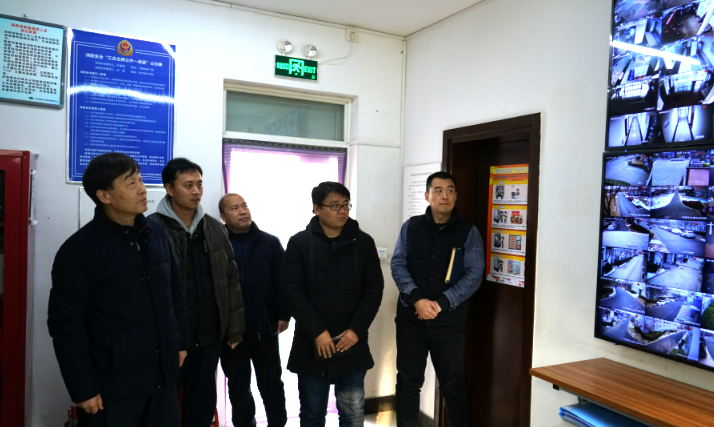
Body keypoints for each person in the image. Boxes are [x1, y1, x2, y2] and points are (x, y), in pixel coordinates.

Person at [48, 153, 188, 427]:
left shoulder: (156, 233)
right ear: (105, 196)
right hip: (114, 386)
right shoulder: (78, 251)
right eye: (131, 183)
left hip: (163, 377)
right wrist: (83, 388)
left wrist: (180, 343)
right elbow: (66, 325)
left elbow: (175, 291)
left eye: (141, 180)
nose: (142, 189)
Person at [148, 158, 244, 427]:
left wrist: (235, 329)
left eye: (199, 184)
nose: (196, 191)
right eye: (188, 185)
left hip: (208, 335)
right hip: (169, 338)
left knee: (201, 407)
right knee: (163, 409)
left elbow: (230, 279)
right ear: (169, 189)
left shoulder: (214, 228)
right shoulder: (151, 229)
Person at [281, 182, 384, 426]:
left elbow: (373, 290)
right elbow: (292, 292)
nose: (342, 211)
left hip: (351, 343)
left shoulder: (363, 243)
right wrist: (317, 332)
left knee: (352, 414)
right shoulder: (299, 243)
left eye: (346, 205)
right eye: (335, 206)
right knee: (312, 413)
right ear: (316, 208)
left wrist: (355, 330)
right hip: (312, 343)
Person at [391, 171, 485, 427]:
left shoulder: (468, 232)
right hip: (411, 320)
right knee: (408, 383)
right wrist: (417, 300)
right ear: (427, 195)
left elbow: (474, 274)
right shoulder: (411, 227)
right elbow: (398, 264)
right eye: (439, 190)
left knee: (453, 385)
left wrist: (441, 303)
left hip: (448, 324)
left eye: (451, 190)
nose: (445, 196)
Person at [218, 193, 289, 427]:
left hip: (265, 328)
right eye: (234, 208)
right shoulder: (217, 246)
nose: (242, 211)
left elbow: (282, 282)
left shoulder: (269, 243)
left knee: (272, 384)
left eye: (245, 206)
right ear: (223, 216)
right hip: (231, 334)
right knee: (238, 387)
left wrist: (284, 314)